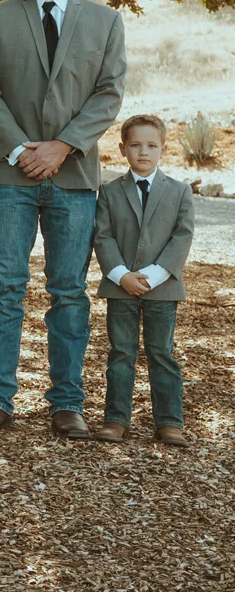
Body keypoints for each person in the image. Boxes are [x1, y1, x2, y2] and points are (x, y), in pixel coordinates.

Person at [0, 0, 126, 439]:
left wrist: (61, 146)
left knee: (69, 290)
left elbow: (108, 94)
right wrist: (19, 148)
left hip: (74, 173)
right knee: (5, 286)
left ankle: (66, 403)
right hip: (10, 174)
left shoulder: (104, 21)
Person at [91, 114, 195, 447]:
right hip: (120, 287)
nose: (143, 152)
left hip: (161, 288)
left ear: (163, 149)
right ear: (123, 149)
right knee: (121, 352)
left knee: (161, 352)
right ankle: (116, 419)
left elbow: (182, 237)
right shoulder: (109, 191)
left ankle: (169, 421)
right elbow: (103, 236)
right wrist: (122, 275)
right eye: (135, 145)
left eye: (151, 146)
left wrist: (151, 276)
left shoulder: (179, 192)